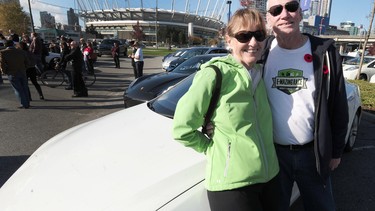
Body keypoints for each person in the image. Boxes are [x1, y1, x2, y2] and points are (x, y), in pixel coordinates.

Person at [172, 8, 280, 211]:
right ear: (228, 40)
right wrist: (212, 148)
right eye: (244, 36)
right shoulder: (214, 74)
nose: (253, 42)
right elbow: (181, 129)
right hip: (232, 186)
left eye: (259, 35)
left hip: (270, 177)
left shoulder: (262, 73)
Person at [261, 0, 349, 210]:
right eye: (276, 10)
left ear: (300, 13)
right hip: (274, 155)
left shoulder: (325, 53)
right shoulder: (260, 52)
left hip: (312, 155)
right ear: (268, 19)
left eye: (291, 7)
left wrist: (336, 151)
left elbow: (338, 105)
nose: (285, 14)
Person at [0, 40, 30, 108]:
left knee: (18, 89)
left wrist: (4, 72)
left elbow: (2, 64)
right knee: (25, 88)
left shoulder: (3, 52)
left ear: (5, 45)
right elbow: (28, 63)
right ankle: (27, 102)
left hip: (12, 72)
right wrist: (24, 68)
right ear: (13, 44)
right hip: (22, 72)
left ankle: (24, 104)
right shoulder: (21, 51)